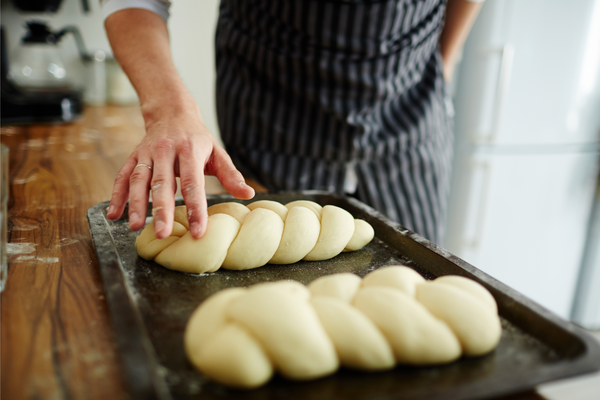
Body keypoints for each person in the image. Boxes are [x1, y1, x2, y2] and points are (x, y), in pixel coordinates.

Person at [102, 0, 483, 244]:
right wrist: (169, 110)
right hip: (275, 114)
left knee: (414, 284)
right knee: (267, 269)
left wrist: (445, 62)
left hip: (410, 115)